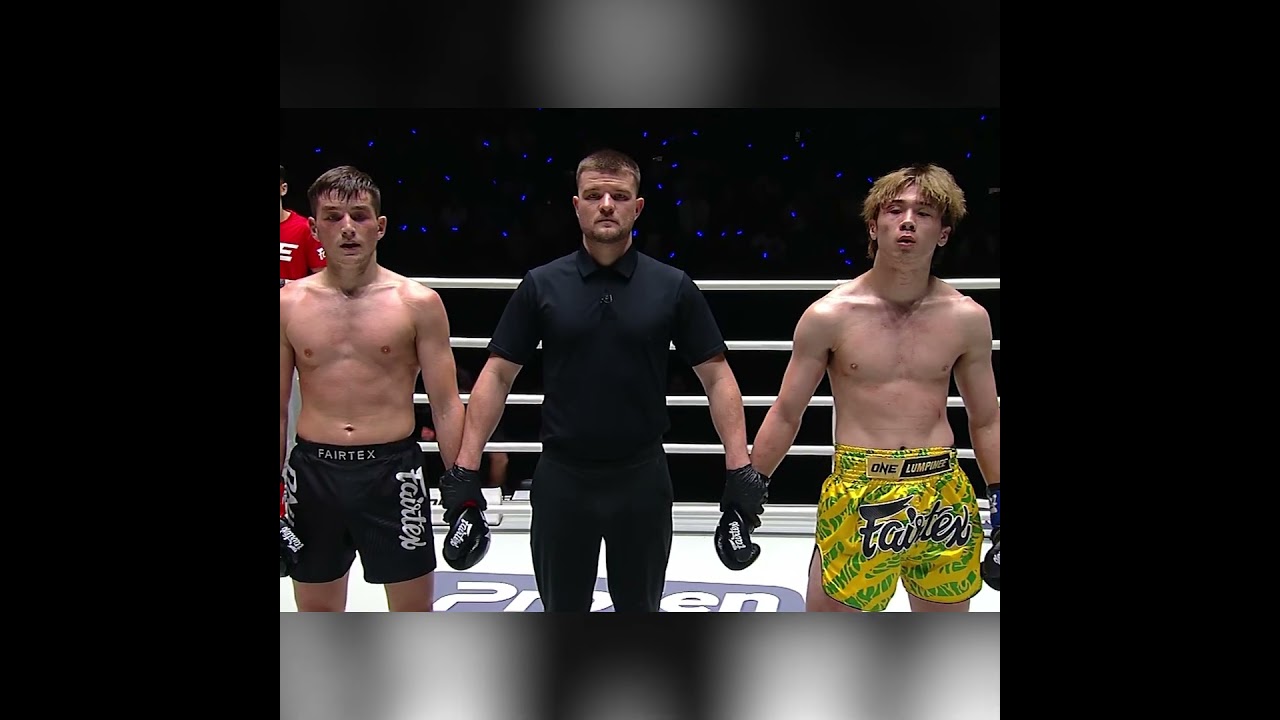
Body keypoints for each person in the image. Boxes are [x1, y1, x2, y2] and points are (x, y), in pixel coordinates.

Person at [438, 148, 765, 613]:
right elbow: (497, 375)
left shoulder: (672, 286)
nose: (606, 205)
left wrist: (739, 470)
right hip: (562, 477)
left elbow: (717, 378)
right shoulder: (542, 284)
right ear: (577, 206)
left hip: (642, 477)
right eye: (594, 195)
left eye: (619, 196)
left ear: (638, 206)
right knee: (562, 617)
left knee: (640, 615)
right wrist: (466, 469)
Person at [749, 162, 1001, 612]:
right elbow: (787, 411)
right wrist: (748, 489)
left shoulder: (967, 318)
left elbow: (986, 419)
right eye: (895, 210)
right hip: (859, 486)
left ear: (943, 233)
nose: (908, 221)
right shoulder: (829, 315)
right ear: (873, 226)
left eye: (924, 213)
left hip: (940, 490)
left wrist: (1000, 501)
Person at [279, 165, 466, 612]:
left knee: (411, 616)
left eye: (360, 216)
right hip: (313, 473)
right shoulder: (287, 304)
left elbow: (445, 404)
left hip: (392, 473)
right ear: (314, 228)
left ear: (380, 226)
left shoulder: (418, 303)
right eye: (333, 217)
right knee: (318, 619)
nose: (347, 228)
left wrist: (463, 489)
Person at [281, 164, 327, 286]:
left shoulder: (305, 228)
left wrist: (283, 284)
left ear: (283, 189)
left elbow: (324, 281)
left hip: (292, 298)